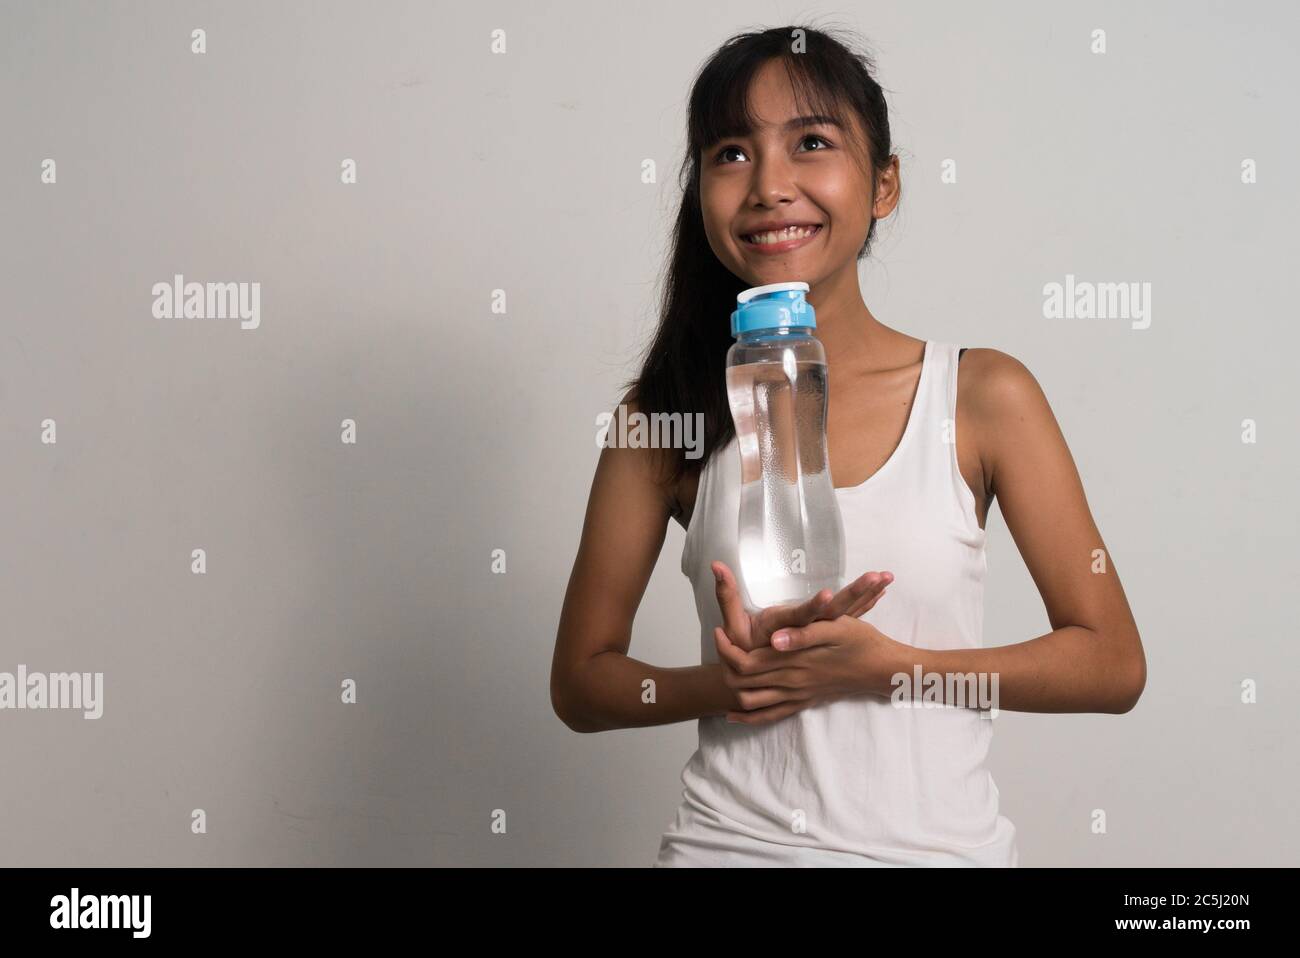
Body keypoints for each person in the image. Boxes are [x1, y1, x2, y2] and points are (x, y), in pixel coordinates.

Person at [550, 24, 1146, 867]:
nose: (769, 185)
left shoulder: (981, 396)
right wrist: (731, 685)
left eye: (813, 143)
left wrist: (893, 669)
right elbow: (581, 680)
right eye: (731, 153)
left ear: (885, 184)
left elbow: (1112, 663)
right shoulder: (666, 415)